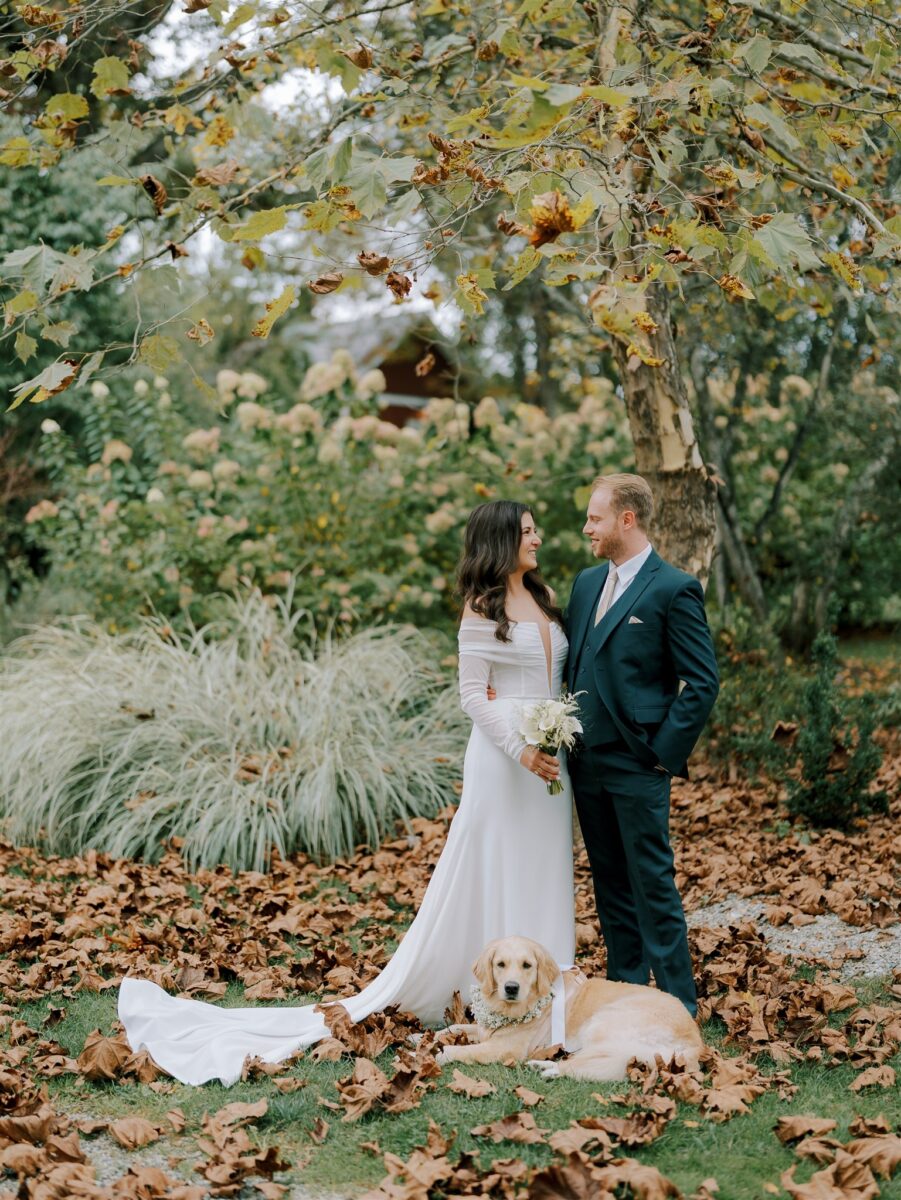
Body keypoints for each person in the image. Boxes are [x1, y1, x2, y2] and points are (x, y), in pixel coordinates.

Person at [118, 499, 575, 1085]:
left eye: (536, 530)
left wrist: (554, 742)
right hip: (504, 758)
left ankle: (549, 996)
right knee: (495, 865)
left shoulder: (544, 600)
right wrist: (520, 748)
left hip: (551, 763)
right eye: (528, 532)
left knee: (545, 867)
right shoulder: (480, 607)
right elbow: (471, 695)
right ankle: (492, 987)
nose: (537, 539)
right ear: (500, 540)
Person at [564, 473, 719, 1017]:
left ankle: (679, 1004)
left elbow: (702, 682)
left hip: (637, 762)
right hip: (585, 763)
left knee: (652, 882)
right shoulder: (586, 583)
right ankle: (627, 995)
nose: (587, 528)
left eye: (595, 518)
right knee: (609, 884)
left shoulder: (672, 588)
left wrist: (660, 754)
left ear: (626, 520)